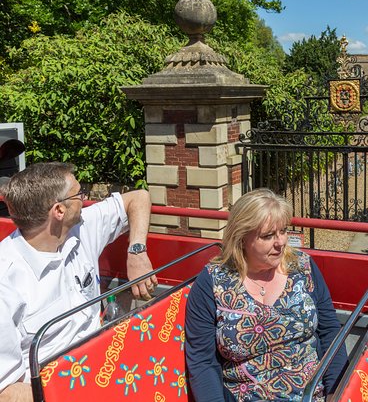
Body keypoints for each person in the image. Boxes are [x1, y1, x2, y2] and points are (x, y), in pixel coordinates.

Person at [0, 162, 156, 401]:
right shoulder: (6, 281)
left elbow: (139, 198)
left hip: (106, 364)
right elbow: (8, 391)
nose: (84, 198)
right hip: (57, 390)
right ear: (59, 211)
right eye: (79, 193)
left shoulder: (81, 227)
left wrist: (136, 251)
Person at [185, 188, 347, 401]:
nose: (280, 243)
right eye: (268, 236)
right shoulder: (212, 282)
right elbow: (202, 361)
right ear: (241, 238)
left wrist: (336, 393)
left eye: (283, 231)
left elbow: (330, 332)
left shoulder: (303, 267)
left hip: (311, 393)